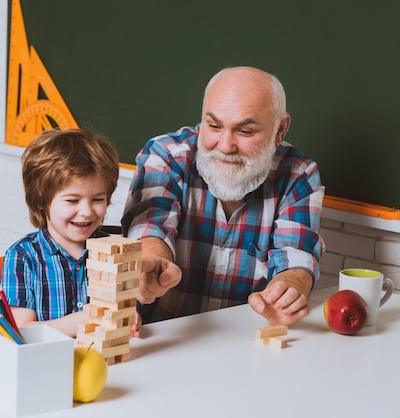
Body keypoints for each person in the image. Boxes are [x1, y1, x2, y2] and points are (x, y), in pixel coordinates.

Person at [121, 66, 325, 327]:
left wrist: (288, 290)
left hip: (246, 339)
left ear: (280, 129)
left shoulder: (299, 175)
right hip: (164, 335)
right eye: (214, 126)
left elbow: (295, 259)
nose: (226, 146)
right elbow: (151, 229)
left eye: (245, 131)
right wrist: (153, 265)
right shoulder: (166, 155)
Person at [1, 128, 120, 337]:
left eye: (98, 199)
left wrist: (127, 318)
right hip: (47, 364)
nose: (86, 211)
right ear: (41, 201)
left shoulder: (112, 250)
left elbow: (119, 310)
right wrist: (84, 319)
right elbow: (22, 331)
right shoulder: (23, 257)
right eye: (72, 200)